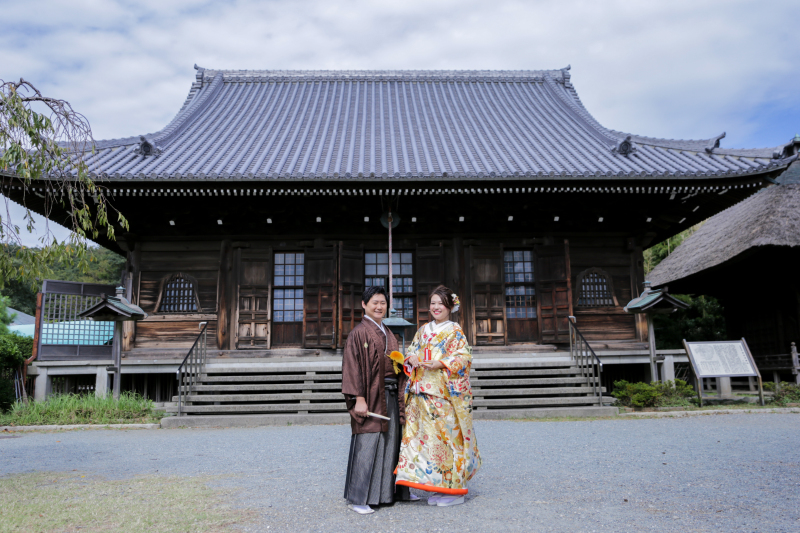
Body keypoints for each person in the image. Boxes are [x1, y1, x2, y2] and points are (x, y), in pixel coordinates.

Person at [395, 285, 481, 507]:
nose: (435, 307)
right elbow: (412, 349)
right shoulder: (423, 330)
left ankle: (455, 490)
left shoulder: (455, 331)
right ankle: (437, 486)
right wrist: (412, 358)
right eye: (432, 303)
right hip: (420, 394)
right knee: (426, 442)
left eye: (440, 303)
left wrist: (441, 363)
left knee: (448, 440)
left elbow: (464, 358)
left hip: (443, 395)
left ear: (450, 306)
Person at [341, 286, 420, 514]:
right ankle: (359, 498)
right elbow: (352, 368)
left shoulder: (387, 332)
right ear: (364, 305)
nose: (379, 306)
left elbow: (394, 364)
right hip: (371, 394)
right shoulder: (359, 333)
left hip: (391, 393)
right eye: (374, 302)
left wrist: (407, 365)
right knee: (369, 441)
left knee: (392, 442)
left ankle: (389, 493)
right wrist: (359, 398)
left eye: (383, 303)